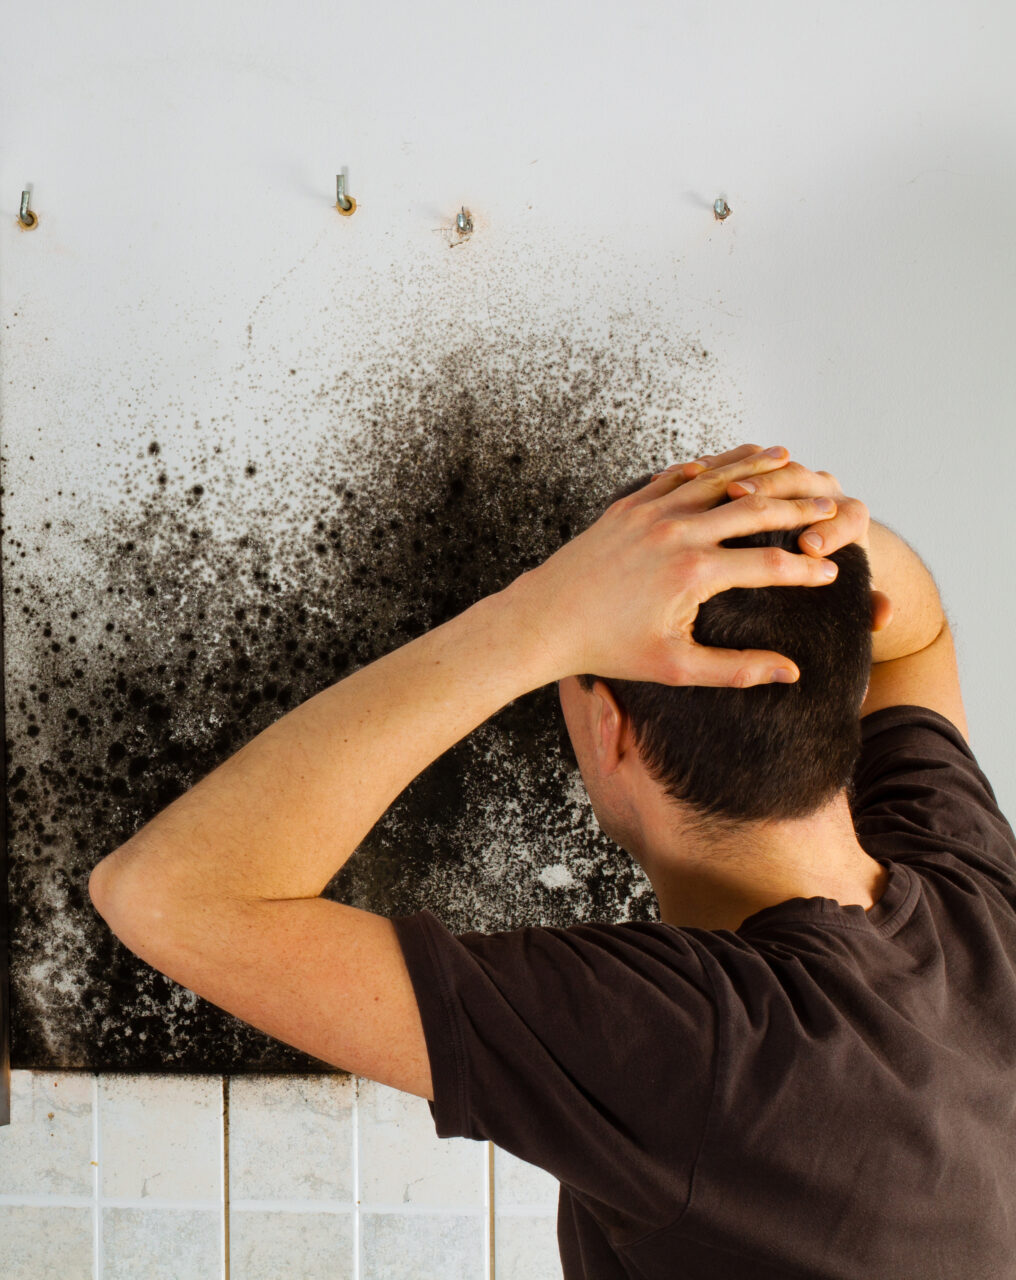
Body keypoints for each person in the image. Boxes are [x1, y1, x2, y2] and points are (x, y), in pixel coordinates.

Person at [89, 443, 1011, 1278]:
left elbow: (167, 896)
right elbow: (917, 635)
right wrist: (808, 537)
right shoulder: (974, 900)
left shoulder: (703, 1045)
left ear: (608, 729)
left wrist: (537, 615)